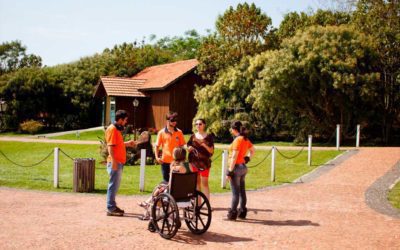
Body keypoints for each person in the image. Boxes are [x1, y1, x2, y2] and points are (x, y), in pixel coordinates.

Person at [138, 147, 192, 219]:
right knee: (161, 186)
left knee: (158, 190)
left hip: (175, 194)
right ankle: (147, 203)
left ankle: (149, 206)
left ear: (175, 156)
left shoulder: (175, 167)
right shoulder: (190, 166)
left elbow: (171, 182)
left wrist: (163, 187)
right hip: (187, 193)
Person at [105, 110, 136, 216]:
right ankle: (110, 208)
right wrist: (113, 161)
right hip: (115, 162)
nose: (126, 122)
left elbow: (117, 144)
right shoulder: (112, 129)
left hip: (118, 162)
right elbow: (110, 146)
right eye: (125, 120)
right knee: (113, 185)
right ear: (120, 119)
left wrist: (127, 144)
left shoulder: (116, 129)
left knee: (115, 186)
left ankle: (112, 206)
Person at [226, 120, 255, 220]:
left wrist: (229, 171)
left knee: (235, 193)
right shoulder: (245, 139)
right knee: (242, 191)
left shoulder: (237, 140)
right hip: (243, 167)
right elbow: (253, 150)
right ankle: (242, 211)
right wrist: (247, 158)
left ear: (234, 129)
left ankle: (233, 213)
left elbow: (234, 156)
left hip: (236, 167)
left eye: (231, 129)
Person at [187, 118, 214, 202]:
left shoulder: (209, 137)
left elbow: (211, 151)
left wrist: (204, 145)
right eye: (197, 124)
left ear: (204, 125)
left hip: (204, 164)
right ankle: (198, 204)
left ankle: (207, 204)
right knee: (197, 184)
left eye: (200, 124)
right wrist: (189, 148)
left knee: (205, 184)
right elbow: (188, 147)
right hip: (194, 163)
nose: (198, 126)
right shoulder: (192, 136)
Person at [154, 112, 185, 182]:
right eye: (172, 120)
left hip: (177, 162)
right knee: (166, 181)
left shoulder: (179, 132)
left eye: (175, 120)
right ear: (167, 121)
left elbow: (182, 147)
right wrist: (157, 157)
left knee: (177, 181)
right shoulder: (161, 132)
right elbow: (157, 146)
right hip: (165, 162)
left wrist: (182, 159)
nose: (174, 122)